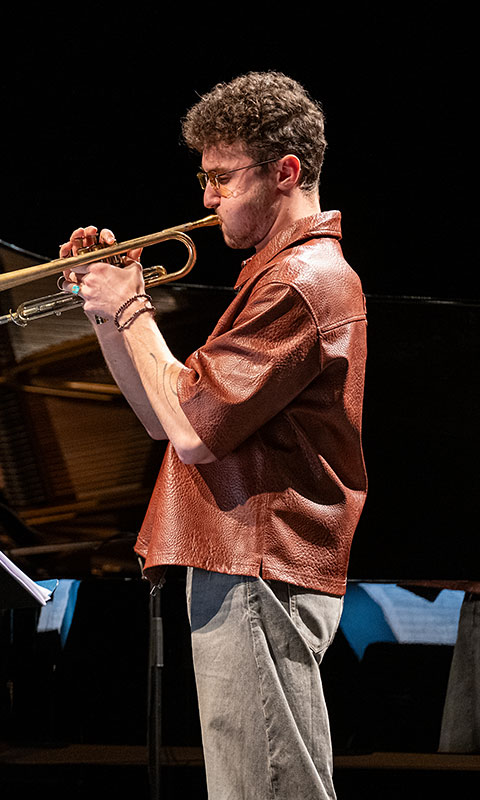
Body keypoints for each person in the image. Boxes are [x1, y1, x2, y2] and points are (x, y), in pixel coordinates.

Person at [60, 72, 366, 799]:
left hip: (257, 565)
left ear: (286, 173)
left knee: (264, 789)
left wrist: (133, 306)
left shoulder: (301, 281)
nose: (205, 199)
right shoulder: (272, 275)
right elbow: (161, 420)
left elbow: (196, 431)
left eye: (222, 178)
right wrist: (108, 314)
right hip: (241, 564)